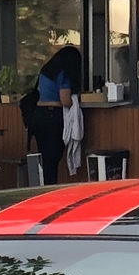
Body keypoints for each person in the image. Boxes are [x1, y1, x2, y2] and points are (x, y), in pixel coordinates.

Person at [28, 42, 82, 182]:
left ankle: (44, 186)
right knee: (53, 158)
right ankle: (49, 189)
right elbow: (65, 100)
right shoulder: (63, 74)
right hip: (52, 116)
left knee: (46, 158)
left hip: (39, 115)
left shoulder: (46, 70)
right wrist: (75, 99)